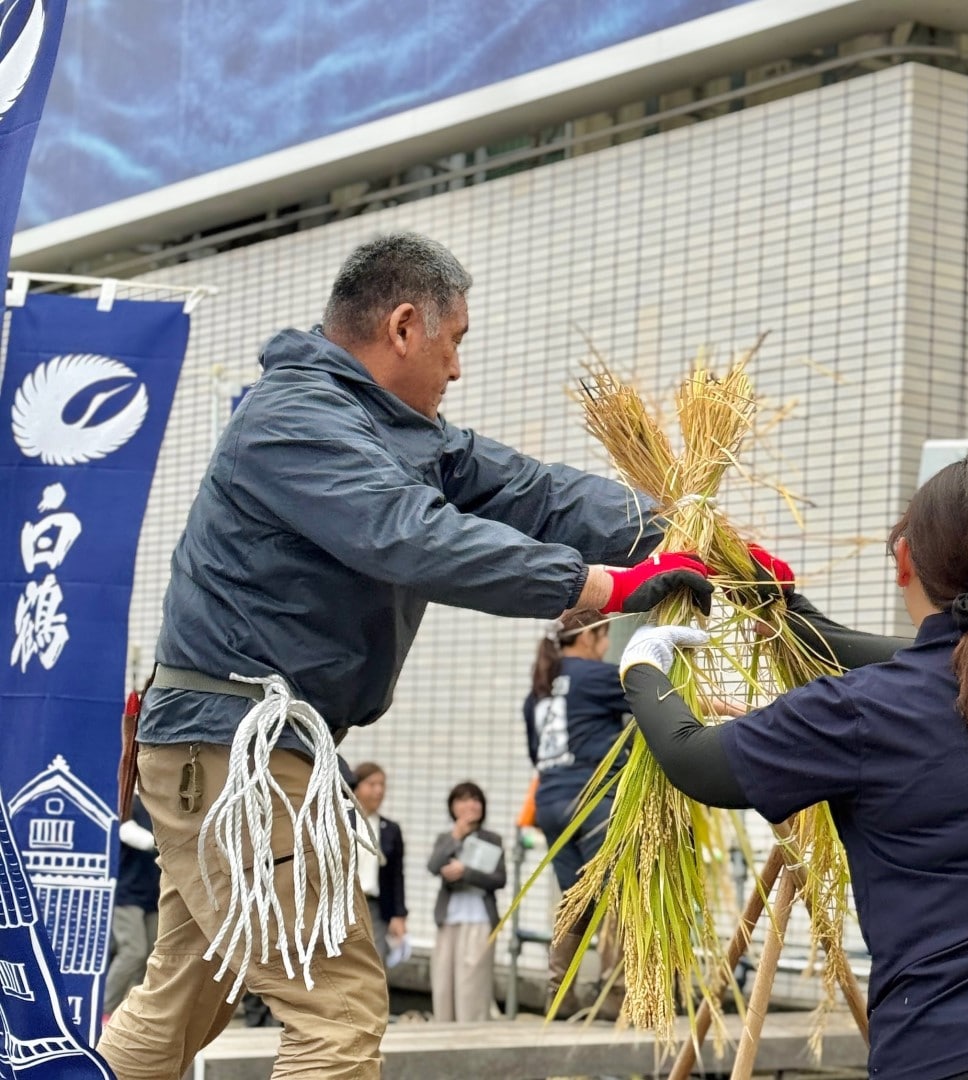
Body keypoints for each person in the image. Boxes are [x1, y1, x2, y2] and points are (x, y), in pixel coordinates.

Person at [97, 231, 712, 1080]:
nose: (457, 369)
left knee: (182, 998)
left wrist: (675, 529)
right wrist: (602, 588)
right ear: (404, 326)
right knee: (337, 1006)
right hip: (235, 749)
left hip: (237, 753)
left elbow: (531, 491)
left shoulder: (402, 434)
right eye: (455, 341)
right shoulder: (296, 421)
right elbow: (412, 536)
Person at [618, 454, 968, 1080]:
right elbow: (931, 656)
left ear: (903, 563)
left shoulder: (858, 712)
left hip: (941, 1055)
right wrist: (789, 611)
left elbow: (695, 761)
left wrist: (642, 663)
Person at [523, 608, 628, 1018]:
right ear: (589, 638)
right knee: (619, 894)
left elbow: (536, 753)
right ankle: (615, 993)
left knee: (576, 901)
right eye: (604, 638)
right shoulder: (595, 676)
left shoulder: (539, 690)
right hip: (591, 801)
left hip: (550, 802)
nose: (605, 648)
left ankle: (560, 998)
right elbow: (655, 696)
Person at [426, 782, 505, 1023]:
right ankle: (443, 1033)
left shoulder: (491, 838)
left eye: (476, 800)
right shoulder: (446, 837)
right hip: (448, 918)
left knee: (472, 985)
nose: (472, 805)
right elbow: (433, 866)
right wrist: (456, 836)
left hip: (480, 918)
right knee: (443, 981)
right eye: (464, 800)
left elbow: (499, 879)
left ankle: (471, 1034)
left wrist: (466, 872)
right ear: (453, 806)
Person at [103, 794, 161, 1018]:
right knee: (133, 951)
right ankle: (103, 1010)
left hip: (153, 895)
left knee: (152, 957)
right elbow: (129, 833)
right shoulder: (127, 804)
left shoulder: (158, 806)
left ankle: (142, 1012)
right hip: (127, 896)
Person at [351, 762, 407, 964]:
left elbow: (396, 876)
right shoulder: (341, 820)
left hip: (375, 906)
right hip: (345, 903)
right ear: (356, 786)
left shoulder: (390, 829)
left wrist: (399, 915)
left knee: (375, 961)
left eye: (382, 785)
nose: (379, 790)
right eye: (372, 784)